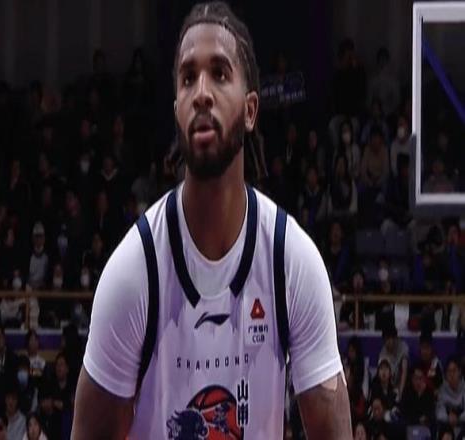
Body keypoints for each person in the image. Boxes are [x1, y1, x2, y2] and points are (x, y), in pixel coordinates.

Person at [72, 2, 351, 439]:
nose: (201, 92)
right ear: (177, 111)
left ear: (251, 110)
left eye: (219, 73)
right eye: (188, 78)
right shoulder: (134, 270)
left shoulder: (291, 261)